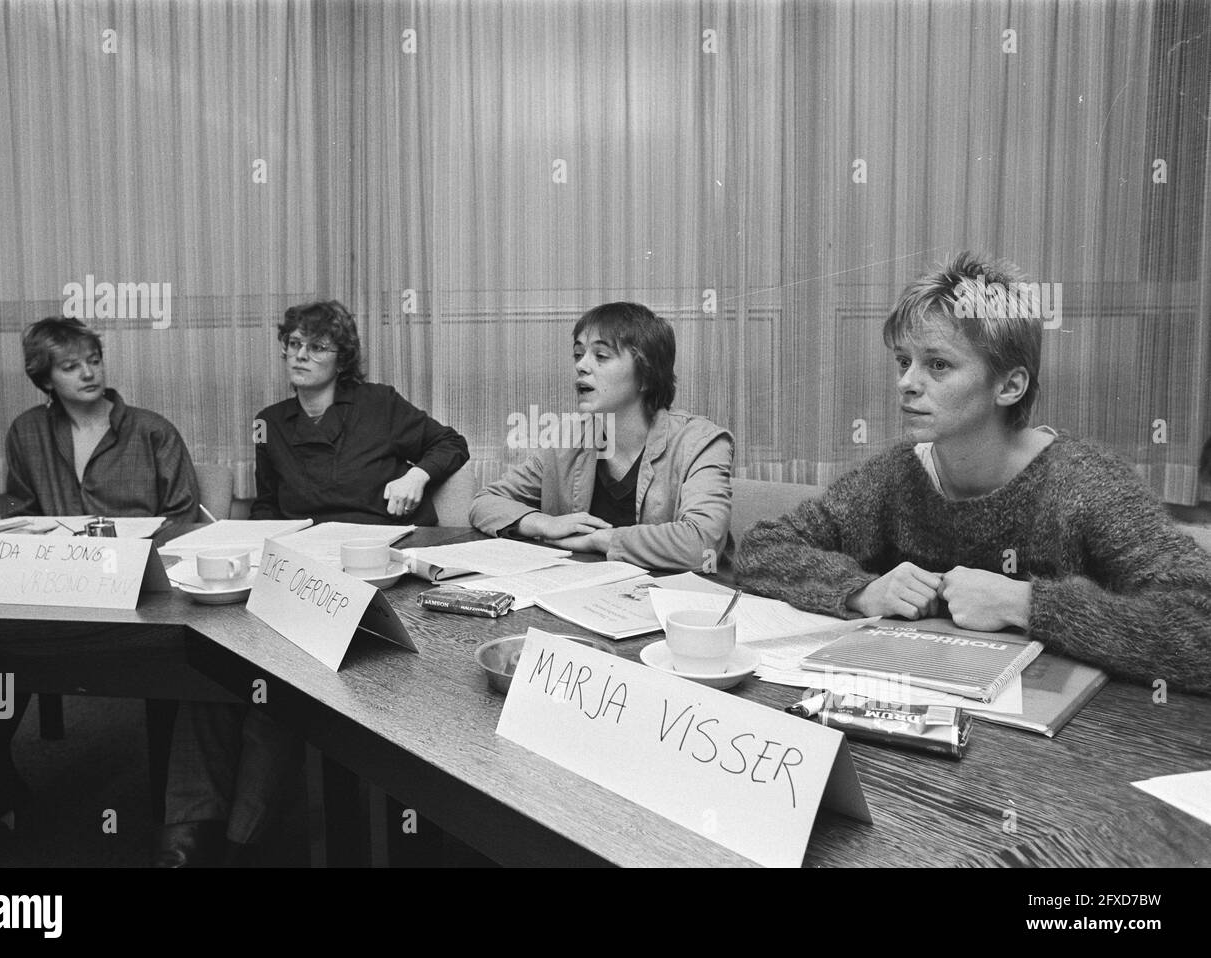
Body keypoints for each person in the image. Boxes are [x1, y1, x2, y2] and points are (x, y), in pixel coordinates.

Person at [734, 252, 1211, 693]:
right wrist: (861, 590)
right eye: (904, 361)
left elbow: (1199, 626)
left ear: (1009, 385)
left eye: (937, 365)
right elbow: (762, 548)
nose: (905, 382)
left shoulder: (1087, 484)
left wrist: (1024, 605)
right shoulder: (896, 474)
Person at [155, 299, 468, 866]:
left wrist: (417, 475)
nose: (300, 355)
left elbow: (451, 443)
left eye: (316, 347)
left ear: (341, 357)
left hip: (372, 573)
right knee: (216, 663)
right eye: (294, 345)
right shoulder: (271, 421)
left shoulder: (379, 404)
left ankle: (240, 838)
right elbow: (272, 505)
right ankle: (188, 830)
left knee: (281, 683)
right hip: (295, 571)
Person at [0, 316, 200, 855]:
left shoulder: (151, 429)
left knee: (179, 674)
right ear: (45, 377)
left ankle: (175, 822)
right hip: (57, 587)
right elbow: (25, 513)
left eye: (93, 360)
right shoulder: (26, 431)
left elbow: (183, 519)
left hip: (139, 595)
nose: (88, 373)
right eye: (71, 366)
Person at [470, 301, 732, 572]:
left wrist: (601, 540)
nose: (581, 366)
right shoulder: (567, 441)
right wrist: (544, 523)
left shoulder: (701, 442)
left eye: (601, 356)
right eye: (578, 354)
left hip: (677, 605)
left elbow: (702, 547)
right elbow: (484, 503)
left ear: (646, 376)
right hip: (584, 599)